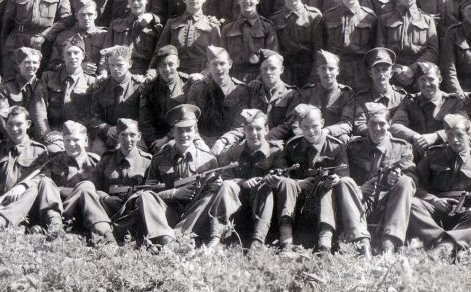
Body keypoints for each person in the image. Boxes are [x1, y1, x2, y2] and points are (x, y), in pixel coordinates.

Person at [272, 104, 370, 253]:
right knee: (287, 183)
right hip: (300, 207)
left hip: (330, 207)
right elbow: (281, 175)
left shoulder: (336, 146)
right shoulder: (293, 147)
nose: (311, 131)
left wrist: (335, 180)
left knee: (331, 184)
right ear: (299, 126)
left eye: (315, 126)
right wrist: (299, 184)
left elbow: (345, 177)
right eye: (305, 127)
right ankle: (286, 241)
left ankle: (326, 242)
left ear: (323, 124)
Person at [408, 114, 471, 259]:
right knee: (411, 204)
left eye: (460, 135)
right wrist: (434, 200)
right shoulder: (433, 154)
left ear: (469, 135)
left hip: (464, 212)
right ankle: (447, 243)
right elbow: (417, 187)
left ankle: (443, 248)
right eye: (450, 135)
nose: (454, 140)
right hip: (435, 209)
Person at [0, 106, 63, 238]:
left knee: (34, 189)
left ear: (28, 124)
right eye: (10, 124)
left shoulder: (39, 151)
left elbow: (44, 179)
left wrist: (24, 186)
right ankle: (17, 226)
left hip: (24, 204)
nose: (14, 129)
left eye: (19, 124)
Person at [137, 104, 219, 246]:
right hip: (167, 215)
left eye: (188, 130)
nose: (184, 135)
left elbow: (210, 196)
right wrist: (175, 193)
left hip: (194, 216)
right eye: (179, 130)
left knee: (212, 196)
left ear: (195, 131)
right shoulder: (160, 157)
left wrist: (215, 186)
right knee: (145, 197)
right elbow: (149, 191)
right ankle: (167, 239)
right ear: (172, 132)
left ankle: (180, 237)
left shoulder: (208, 159)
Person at [206, 108, 287, 250]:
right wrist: (243, 182)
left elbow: (284, 178)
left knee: (265, 187)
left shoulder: (276, 151)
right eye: (249, 128)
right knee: (227, 185)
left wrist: (272, 180)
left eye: (258, 129)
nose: (254, 134)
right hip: (239, 210)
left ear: (267, 129)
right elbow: (225, 177)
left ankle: (257, 242)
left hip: (266, 212)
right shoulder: (234, 151)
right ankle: (216, 238)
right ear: (244, 130)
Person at [346, 102, 416, 254]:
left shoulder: (402, 147)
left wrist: (398, 176)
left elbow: (412, 178)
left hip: (389, 205)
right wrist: (359, 189)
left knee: (405, 181)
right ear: (366, 124)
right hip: (360, 202)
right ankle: (362, 246)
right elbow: (344, 178)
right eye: (373, 124)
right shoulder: (353, 147)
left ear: (389, 124)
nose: (377, 129)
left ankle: (389, 245)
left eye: (382, 124)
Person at [1, 0, 71, 80]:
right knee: (12, 81)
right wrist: (4, 45)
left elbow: (65, 20)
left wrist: (45, 36)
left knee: (39, 83)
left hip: (43, 45)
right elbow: (7, 21)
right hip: (17, 43)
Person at [48, 120, 116, 245]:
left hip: (92, 211)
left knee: (87, 187)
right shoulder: (54, 161)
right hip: (62, 211)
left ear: (85, 141)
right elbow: (48, 189)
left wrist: (68, 190)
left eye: (75, 140)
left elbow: (103, 191)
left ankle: (104, 237)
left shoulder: (97, 162)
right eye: (67, 140)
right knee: (86, 186)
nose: (71, 144)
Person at [217, 50, 297, 147]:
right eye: (265, 68)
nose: (268, 72)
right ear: (260, 70)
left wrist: (262, 137)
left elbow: (287, 126)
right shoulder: (252, 91)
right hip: (250, 141)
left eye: (273, 68)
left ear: (281, 69)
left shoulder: (291, 94)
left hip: (277, 144)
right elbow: (241, 122)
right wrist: (225, 139)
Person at [93, 118, 154, 243]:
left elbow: (152, 193)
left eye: (132, 135)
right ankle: (107, 234)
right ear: (117, 136)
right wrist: (106, 198)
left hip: (134, 211)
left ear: (139, 136)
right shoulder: (106, 159)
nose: (128, 139)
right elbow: (93, 187)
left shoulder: (148, 161)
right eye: (123, 135)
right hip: (107, 209)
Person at [30, 35, 96, 149]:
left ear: (83, 56)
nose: (72, 57)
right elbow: (39, 107)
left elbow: (92, 115)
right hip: (52, 132)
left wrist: (72, 135)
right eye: (68, 53)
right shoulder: (48, 76)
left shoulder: (91, 81)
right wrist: (46, 134)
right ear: (62, 56)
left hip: (78, 135)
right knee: (54, 150)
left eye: (76, 53)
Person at [375, 0, 438, 90]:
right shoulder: (384, 19)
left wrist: (412, 69)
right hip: (393, 75)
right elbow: (380, 49)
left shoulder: (427, 20)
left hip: (421, 74)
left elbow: (433, 51)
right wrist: (396, 69)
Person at [318, 0, 377, 91]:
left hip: (361, 68)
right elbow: (321, 45)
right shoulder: (328, 16)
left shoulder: (369, 17)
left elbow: (374, 46)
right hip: (336, 67)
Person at [87, 45, 146, 154]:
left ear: (129, 64)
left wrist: (128, 131)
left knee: (139, 156)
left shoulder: (139, 87)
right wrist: (106, 128)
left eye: (119, 65)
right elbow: (93, 117)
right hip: (107, 135)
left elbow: (145, 118)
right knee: (96, 154)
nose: (115, 69)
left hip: (132, 135)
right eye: (111, 65)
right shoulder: (101, 86)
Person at [391, 62, 459, 156]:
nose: (426, 84)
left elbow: (464, 127)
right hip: (418, 154)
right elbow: (396, 125)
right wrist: (416, 137)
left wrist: (436, 136)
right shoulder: (410, 101)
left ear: (439, 79)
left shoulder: (452, 101)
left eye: (431, 79)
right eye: (422, 80)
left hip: (445, 155)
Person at [186, 46, 250, 146]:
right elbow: (189, 119)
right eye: (214, 64)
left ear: (230, 64)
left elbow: (240, 125)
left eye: (222, 63)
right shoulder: (198, 88)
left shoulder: (240, 90)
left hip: (228, 143)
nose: (218, 68)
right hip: (199, 141)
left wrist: (224, 140)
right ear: (208, 66)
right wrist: (197, 140)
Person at [154, 0, 221, 75]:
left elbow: (217, 56)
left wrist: (203, 75)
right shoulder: (172, 23)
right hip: (174, 74)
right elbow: (160, 51)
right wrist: (152, 71)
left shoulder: (212, 25)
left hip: (203, 76)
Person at [289, 50, 354, 140]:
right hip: (309, 136)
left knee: (344, 138)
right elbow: (295, 121)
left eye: (331, 68)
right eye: (323, 68)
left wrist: (327, 131)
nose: (327, 72)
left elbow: (347, 123)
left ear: (338, 71)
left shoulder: (345, 94)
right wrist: (303, 135)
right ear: (317, 71)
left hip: (333, 136)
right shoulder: (307, 92)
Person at [102, 0, 162, 75]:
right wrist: (103, 74)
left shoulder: (154, 26)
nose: (135, 3)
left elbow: (158, 56)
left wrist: (150, 75)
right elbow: (105, 53)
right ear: (128, 1)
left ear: (146, 0)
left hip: (142, 74)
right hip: (117, 72)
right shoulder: (115, 24)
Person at [270, 0, 322, 88]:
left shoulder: (314, 16)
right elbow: (274, 51)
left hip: (309, 69)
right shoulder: (275, 19)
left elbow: (319, 49)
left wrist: (314, 76)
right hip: (286, 70)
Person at [343, 48, 407, 137]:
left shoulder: (401, 97)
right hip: (370, 142)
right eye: (377, 70)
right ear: (370, 73)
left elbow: (404, 123)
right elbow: (359, 125)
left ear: (391, 73)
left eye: (385, 69)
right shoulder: (361, 98)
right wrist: (376, 133)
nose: (381, 74)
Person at [221, 0, 277, 81]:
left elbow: (272, 57)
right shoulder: (228, 28)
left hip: (260, 77)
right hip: (233, 77)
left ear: (257, 0)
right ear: (238, 0)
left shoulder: (267, 26)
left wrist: (261, 79)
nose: (247, 1)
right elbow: (222, 57)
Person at [140, 45, 191, 151]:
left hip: (182, 135)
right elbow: (145, 121)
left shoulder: (188, 84)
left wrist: (167, 139)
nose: (167, 69)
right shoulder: (149, 87)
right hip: (154, 140)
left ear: (178, 63)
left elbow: (188, 118)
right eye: (162, 65)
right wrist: (153, 143)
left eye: (171, 64)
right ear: (158, 67)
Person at [0, 47, 41, 140]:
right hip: (12, 135)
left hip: (37, 136)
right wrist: (12, 136)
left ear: (39, 65)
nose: (31, 65)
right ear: (19, 64)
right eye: (27, 62)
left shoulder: (43, 86)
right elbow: (1, 116)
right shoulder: (6, 87)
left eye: (35, 62)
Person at [49, 0, 106, 72]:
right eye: (82, 14)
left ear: (95, 15)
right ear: (76, 15)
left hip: (98, 80)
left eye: (90, 14)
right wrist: (77, 67)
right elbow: (53, 65)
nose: (86, 18)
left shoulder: (104, 35)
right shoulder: (64, 37)